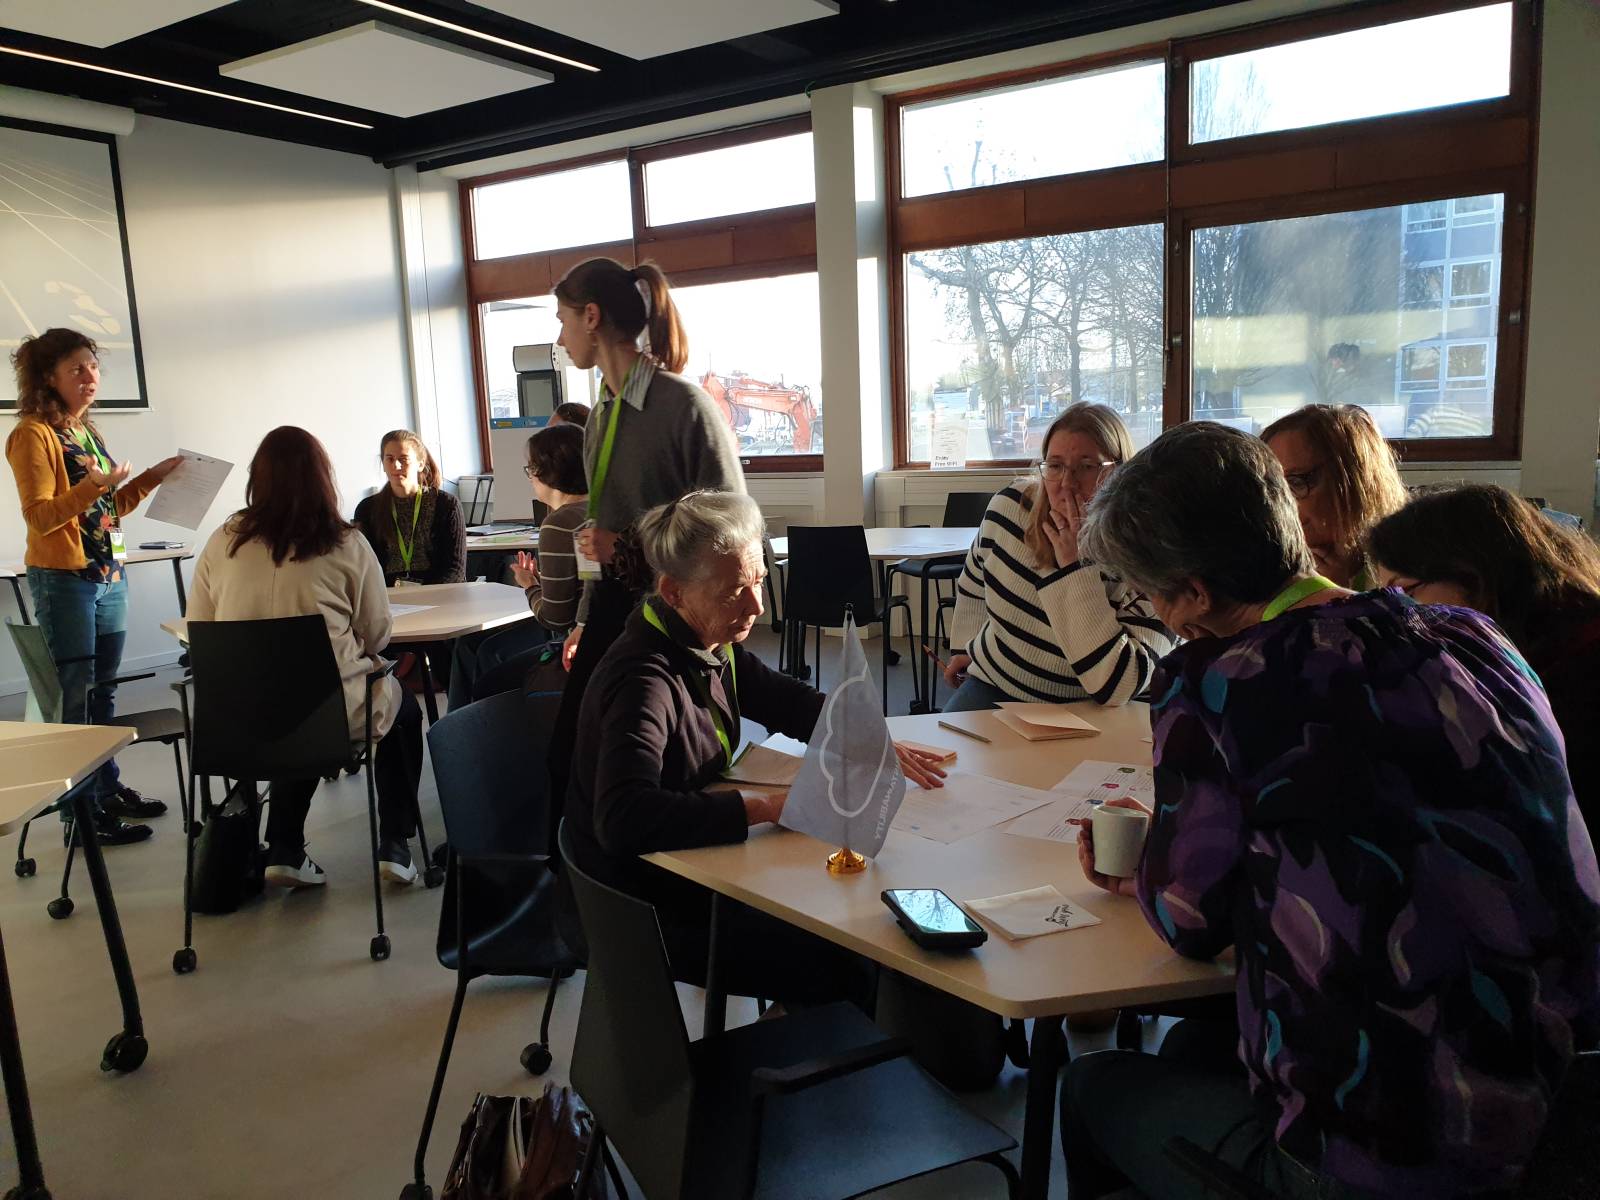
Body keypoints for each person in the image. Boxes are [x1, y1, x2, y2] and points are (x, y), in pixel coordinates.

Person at [1059, 422, 1600, 1199]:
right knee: (1189, 1052)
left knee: (1094, 1084)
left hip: (1385, 1154)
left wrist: (1148, 864)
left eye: (1151, 591)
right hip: (1559, 1116)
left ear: (1195, 595)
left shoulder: (1218, 684)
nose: (1158, 612)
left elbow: (1189, 920)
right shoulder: (1477, 639)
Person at [565, 490, 946, 1006]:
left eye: (760, 581)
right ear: (673, 591)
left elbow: (785, 699)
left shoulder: (701, 642)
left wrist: (866, 738)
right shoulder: (643, 680)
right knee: (848, 951)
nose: (758, 606)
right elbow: (622, 818)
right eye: (734, 591)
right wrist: (761, 806)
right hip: (644, 904)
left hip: (692, 863)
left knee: (846, 917)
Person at [546, 257, 744, 829]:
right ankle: (578, 877)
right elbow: (599, 535)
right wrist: (585, 619)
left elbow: (732, 533)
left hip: (673, 620)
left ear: (591, 317)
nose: (559, 339)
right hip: (615, 612)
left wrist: (628, 548)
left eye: (563, 322)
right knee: (570, 762)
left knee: (653, 774)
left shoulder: (684, 407)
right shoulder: (601, 416)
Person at [188, 427, 426, 886]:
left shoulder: (223, 540)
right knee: (400, 709)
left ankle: (285, 847)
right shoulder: (345, 543)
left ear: (257, 478)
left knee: (289, 701)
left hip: (241, 718)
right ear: (322, 477)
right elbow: (377, 635)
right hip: (328, 712)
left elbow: (200, 628)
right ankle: (395, 845)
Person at [5, 329, 182, 844]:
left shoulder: (86, 431)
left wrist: (150, 478)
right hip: (65, 580)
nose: (90, 376)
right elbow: (40, 517)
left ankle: (105, 788)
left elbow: (108, 508)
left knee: (103, 692)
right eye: (76, 368)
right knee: (76, 697)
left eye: (93, 366)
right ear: (48, 378)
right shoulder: (32, 435)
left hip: (108, 574)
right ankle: (78, 817)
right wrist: (92, 486)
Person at [1368, 482, 1600, 835]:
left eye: (1405, 592)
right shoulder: (1517, 660)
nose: (1397, 613)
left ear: (1477, 575)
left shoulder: (1578, 673)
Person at [943, 403, 1174, 711]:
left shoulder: (1147, 552)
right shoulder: (1010, 507)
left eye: (1087, 467)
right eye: (1055, 466)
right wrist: (965, 646)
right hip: (994, 682)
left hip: (1089, 708)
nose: (1067, 483)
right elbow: (974, 581)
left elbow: (1118, 685)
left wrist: (1073, 569)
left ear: (1120, 473)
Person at [447, 423, 588, 708]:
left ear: (547, 471)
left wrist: (529, 584)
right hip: (601, 636)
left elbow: (555, 618)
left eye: (531, 468)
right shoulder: (600, 510)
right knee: (479, 648)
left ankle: (465, 730)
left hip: (576, 645)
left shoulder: (559, 524)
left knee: (487, 679)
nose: (530, 477)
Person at [1260, 403, 1407, 588]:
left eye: (1295, 483)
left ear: (1353, 482)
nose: (1279, 502)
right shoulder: (1264, 565)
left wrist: (1336, 594)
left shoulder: (1405, 568)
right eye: (1271, 485)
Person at [352, 429, 465, 587]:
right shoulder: (367, 508)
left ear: (420, 464)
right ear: (383, 464)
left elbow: (455, 570)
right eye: (390, 459)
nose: (396, 465)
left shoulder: (446, 504)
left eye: (403, 459)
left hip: (438, 592)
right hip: (387, 594)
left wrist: (425, 595)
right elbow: (363, 567)